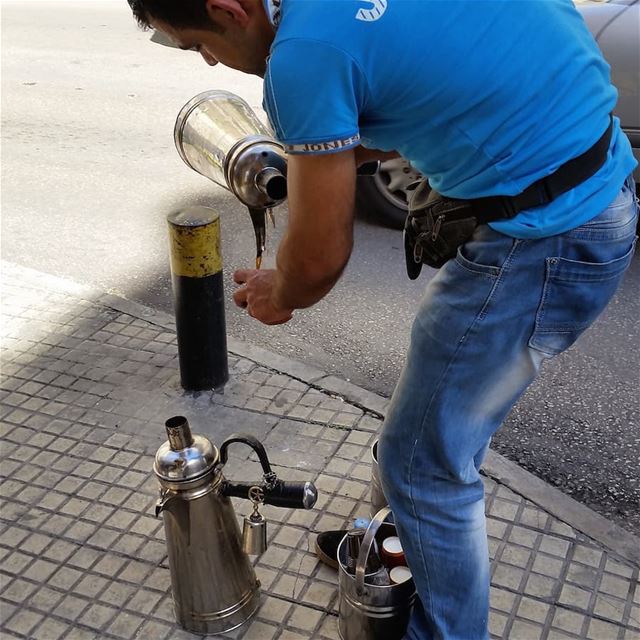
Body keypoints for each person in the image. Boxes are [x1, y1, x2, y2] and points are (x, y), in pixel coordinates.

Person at [127, 0, 638, 637]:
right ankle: (408, 540)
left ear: (228, 9)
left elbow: (318, 258)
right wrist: (326, 151)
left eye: (196, 43)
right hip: (595, 186)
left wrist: (279, 292)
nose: (206, 59)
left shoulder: (305, 54)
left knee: (421, 463)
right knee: (434, 432)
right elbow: (428, 86)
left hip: (546, 241)